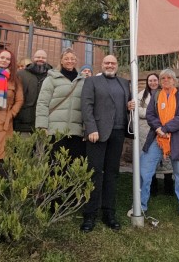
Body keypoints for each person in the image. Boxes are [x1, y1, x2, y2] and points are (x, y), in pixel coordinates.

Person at [80, 54, 134, 233]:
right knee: (94, 173)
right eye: (107, 63)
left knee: (112, 174)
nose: (110, 65)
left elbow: (124, 105)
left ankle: (109, 213)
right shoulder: (92, 82)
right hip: (97, 134)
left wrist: (130, 106)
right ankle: (89, 214)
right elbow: (86, 106)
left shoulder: (124, 83)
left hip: (117, 134)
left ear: (117, 66)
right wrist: (91, 129)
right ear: (101, 64)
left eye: (113, 63)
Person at [135, 69, 179, 223]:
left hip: (177, 138)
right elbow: (150, 115)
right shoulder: (156, 95)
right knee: (144, 171)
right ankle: (140, 206)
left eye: (169, 78)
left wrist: (165, 128)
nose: (166, 80)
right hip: (157, 137)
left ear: (174, 80)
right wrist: (159, 129)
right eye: (163, 78)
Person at [35, 48, 87, 160]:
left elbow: (86, 106)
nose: (70, 61)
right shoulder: (51, 79)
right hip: (55, 130)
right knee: (55, 166)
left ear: (76, 61)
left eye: (72, 59)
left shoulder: (82, 81)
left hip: (76, 131)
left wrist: (85, 128)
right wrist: (42, 126)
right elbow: (42, 103)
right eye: (66, 58)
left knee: (73, 166)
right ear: (61, 61)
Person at [15, 49, 52, 135]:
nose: (40, 59)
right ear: (33, 58)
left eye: (43, 58)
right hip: (23, 123)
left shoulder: (51, 76)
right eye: (38, 57)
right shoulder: (21, 74)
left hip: (44, 125)